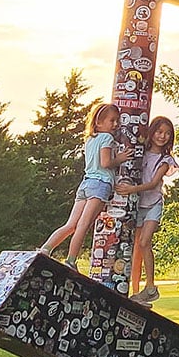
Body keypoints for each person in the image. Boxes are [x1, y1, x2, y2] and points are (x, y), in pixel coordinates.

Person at [42, 100, 123, 268]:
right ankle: (71, 261)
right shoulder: (107, 137)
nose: (115, 124)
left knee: (71, 224)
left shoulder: (90, 140)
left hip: (86, 183)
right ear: (99, 122)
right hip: (100, 183)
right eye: (112, 121)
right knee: (83, 225)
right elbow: (106, 163)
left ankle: (45, 249)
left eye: (117, 120)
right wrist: (120, 159)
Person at [116, 114, 179, 307]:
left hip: (153, 204)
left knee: (145, 242)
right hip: (138, 205)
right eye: (160, 132)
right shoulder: (141, 152)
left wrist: (131, 189)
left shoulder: (165, 159)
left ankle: (151, 285)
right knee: (137, 248)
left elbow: (153, 184)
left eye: (167, 133)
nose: (163, 136)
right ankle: (136, 292)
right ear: (152, 133)